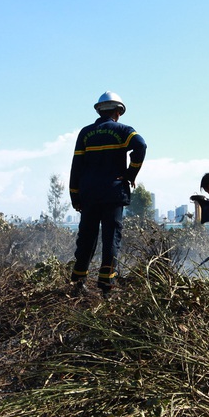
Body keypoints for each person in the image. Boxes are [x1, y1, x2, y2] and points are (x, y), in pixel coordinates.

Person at [69, 91, 147, 296]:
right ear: (118, 111)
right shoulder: (123, 130)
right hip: (113, 193)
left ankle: (78, 282)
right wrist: (131, 173)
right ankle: (106, 287)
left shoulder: (85, 133)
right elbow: (141, 145)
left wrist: (74, 195)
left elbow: (76, 166)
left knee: (87, 236)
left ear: (99, 110)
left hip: (88, 194)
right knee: (111, 238)